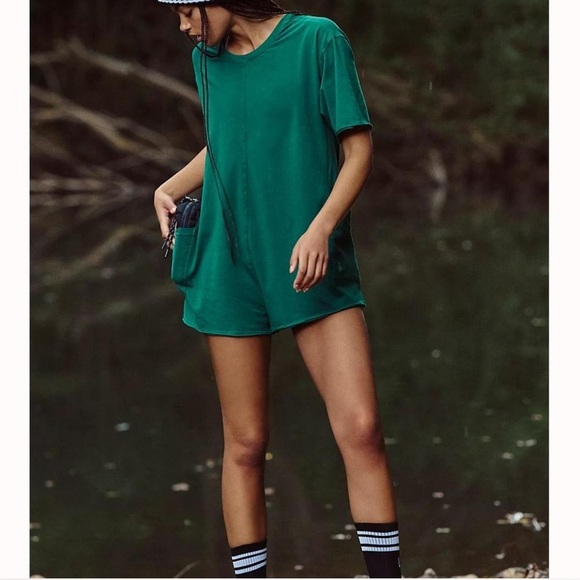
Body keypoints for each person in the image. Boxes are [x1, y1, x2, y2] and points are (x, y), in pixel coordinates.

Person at [153, 1, 402, 577]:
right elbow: (229, 140)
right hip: (228, 265)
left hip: (308, 258)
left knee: (362, 429)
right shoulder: (207, 60)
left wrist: (320, 228)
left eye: (188, 12)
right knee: (244, 443)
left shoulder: (318, 40)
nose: (184, 27)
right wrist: (169, 186)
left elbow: (358, 150)